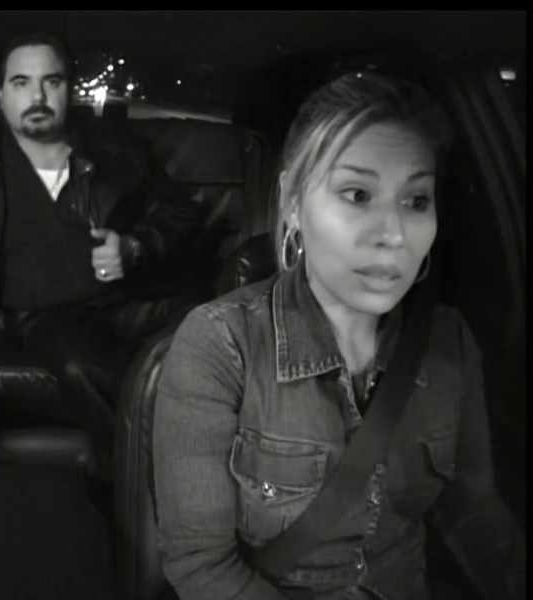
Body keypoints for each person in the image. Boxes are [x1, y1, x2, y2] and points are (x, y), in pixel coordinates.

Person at [153, 72, 525, 600]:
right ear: (292, 202)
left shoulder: (449, 343)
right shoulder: (221, 345)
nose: (393, 235)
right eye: (357, 194)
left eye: (416, 201)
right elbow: (201, 565)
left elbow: (473, 511)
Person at [0, 31, 204, 454]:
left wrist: (133, 247)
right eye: (21, 82)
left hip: (129, 300)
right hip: (45, 315)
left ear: (70, 90)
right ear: (1, 94)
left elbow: (181, 214)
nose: (37, 97)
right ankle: (146, 477)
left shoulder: (114, 147)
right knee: (83, 367)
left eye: (52, 81)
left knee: (216, 327)